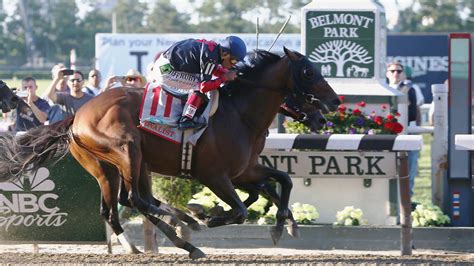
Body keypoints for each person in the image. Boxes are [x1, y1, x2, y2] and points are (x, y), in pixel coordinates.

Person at [149, 35, 247, 129]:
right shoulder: (211, 57)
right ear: (225, 54)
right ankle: (186, 119)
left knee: (200, 81)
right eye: (233, 61)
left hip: (166, 64)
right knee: (199, 87)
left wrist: (227, 74)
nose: (233, 65)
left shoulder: (214, 51)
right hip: (165, 70)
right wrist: (224, 78)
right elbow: (204, 87)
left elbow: (213, 69)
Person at [386, 62, 419, 197]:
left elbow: (411, 114)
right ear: (387, 73)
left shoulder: (409, 89)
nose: (395, 74)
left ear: (404, 74)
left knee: (408, 173)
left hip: (406, 134)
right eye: (392, 71)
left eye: (399, 71)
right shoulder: (382, 88)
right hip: (387, 135)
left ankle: (407, 206)